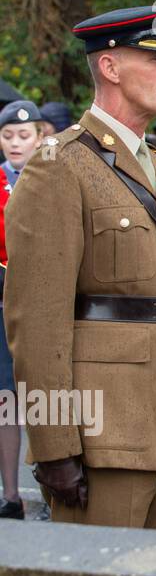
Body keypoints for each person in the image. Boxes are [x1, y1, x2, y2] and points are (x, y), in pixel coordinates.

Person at [5, 5, 156, 530]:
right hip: (100, 436)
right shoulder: (58, 166)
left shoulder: (155, 166)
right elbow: (37, 320)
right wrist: (54, 447)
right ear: (111, 68)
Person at [0, 100, 42, 518]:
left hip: (45, 303)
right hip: (3, 305)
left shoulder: (53, 179)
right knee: (6, 400)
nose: (15, 143)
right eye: (8, 135)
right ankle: (11, 495)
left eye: (23, 135)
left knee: (50, 397)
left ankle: (53, 493)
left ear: (39, 138)